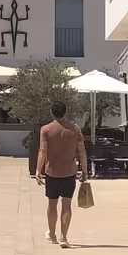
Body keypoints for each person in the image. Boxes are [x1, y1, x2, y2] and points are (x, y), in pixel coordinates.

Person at [36, 100, 88, 247]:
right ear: (65, 112)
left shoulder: (46, 130)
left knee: (52, 205)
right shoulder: (75, 129)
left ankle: (52, 235)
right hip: (69, 172)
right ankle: (64, 237)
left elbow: (42, 150)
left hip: (52, 172)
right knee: (66, 204)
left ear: (52, 112)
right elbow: (82, 151)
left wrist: (38, 170)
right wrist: (85, 170)